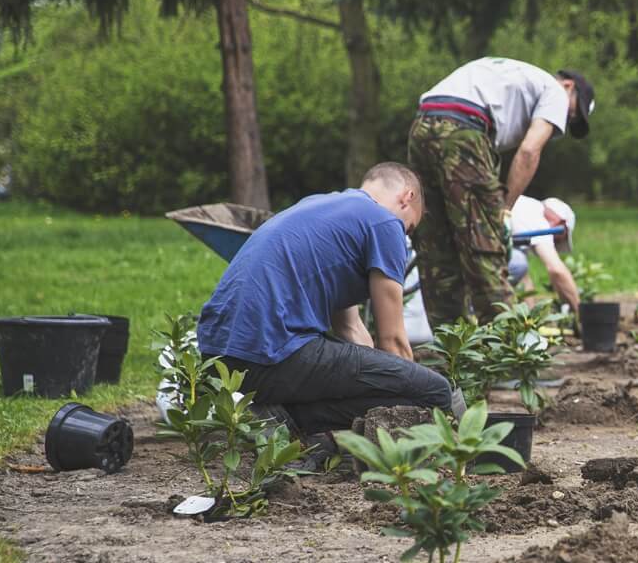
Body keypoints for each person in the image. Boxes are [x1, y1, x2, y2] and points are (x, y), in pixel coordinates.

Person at [197, 163, 463, 442]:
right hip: (270, 351)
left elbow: (350, 329)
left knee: (388, 389)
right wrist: (421, 392)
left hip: (220, 359)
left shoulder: (325, 209)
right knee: (435, 392)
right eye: (410, 228)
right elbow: (393, 341)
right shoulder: (384, 222)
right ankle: (467, 442)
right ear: (407, 197)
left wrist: (382, 382)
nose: (404, 234)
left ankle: (279, 417)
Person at [407, 57, 596, 328]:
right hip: (463, 129)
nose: (567, 120)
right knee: (486, 247)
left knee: (436, 249)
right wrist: (503, 210)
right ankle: (502, 356)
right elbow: (529, 151)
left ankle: (452, 353)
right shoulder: (555, 92)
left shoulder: (512, 76)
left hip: (423, 125)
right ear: (569, 86)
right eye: (573, 114)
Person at [506, 194, 581, 312]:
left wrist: (530, 321)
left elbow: (525, 281)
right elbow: (556, 270)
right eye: (561, 237)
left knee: (519, 263)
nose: (556, 241)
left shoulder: (525, 206)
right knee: (518, 264)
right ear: (559, 222)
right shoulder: (539, 219)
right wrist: (580, 313)